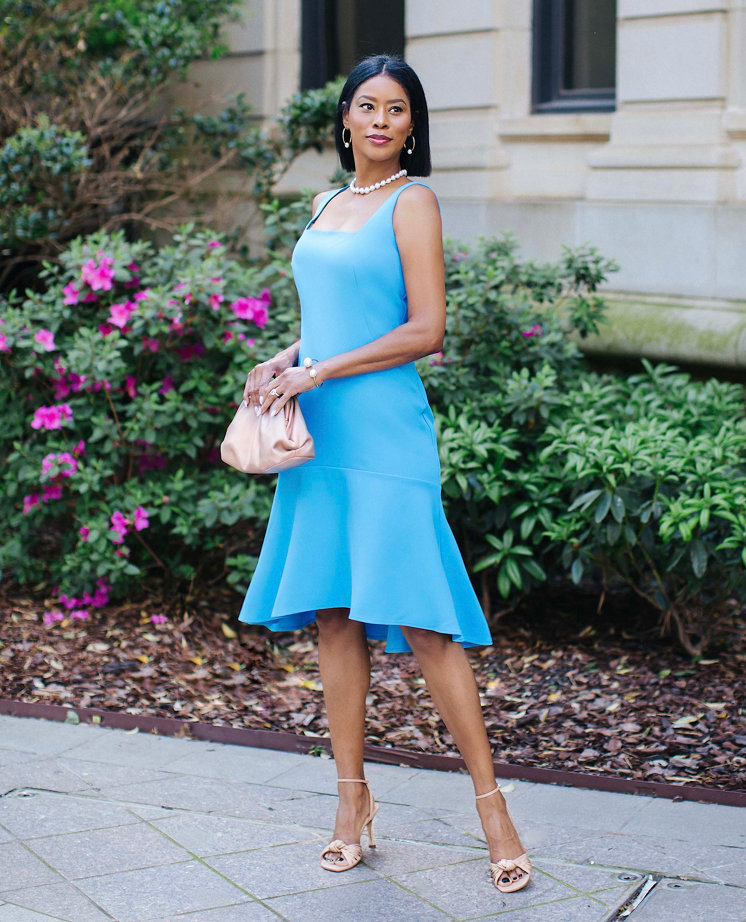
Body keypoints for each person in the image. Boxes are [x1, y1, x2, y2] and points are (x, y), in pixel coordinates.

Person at [240, 54, 530, 894]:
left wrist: (321, 372)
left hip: (384, 433)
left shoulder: (413, 201)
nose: (379, 121)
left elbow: (424, 329)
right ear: (343, 119)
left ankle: (493, 808)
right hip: (321, 434)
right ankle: (350, 805)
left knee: (425, 621)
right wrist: (284, 357)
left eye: (396, 110)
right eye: (366, 106)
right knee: (334, 619)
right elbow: (327, 322)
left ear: (412, 126)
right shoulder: (329, 203)